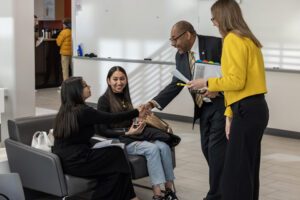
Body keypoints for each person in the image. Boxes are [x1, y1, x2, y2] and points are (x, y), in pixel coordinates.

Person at [187, 1, 269, 200]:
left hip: (246, 110)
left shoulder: (232, 39)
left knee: (234, 174)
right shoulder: (249, 39)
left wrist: (206, 81)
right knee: (246, 170)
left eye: (214, 18)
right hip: (254, 108)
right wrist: (229, 114)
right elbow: (245, 84)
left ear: (222, 17)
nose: (213, 23)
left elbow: (236, 81)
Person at [145, 21, 227, 200]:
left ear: (188, 35)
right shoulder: (180, 56)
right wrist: (152, 103)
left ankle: (215, 195)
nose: (173, 44)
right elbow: (176, 84)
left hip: (221, 106)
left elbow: (233, 73)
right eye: (171, 40)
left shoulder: (215, 44)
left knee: (216, 151)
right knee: (208, 150)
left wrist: (218, 89)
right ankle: (224, 189)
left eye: (175, 39)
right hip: (203, 108)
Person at [52, 76, 147, 200]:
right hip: (78, 160)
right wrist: (136, 112)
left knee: (115, 171)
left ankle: (130, 197)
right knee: (117, 154)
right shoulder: (83, 111)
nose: (89, 87)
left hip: (67, 160)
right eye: (85, 85)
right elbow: (111, 118)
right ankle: (131, 197)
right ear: (76, 91)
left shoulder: (65, 111)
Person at [97, 66, 179, 200]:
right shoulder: (104, 101)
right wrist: (127, 133)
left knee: (164, 146)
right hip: (120, 140)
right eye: (115, 79)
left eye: (122, 79)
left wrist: (140, 120)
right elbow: (103, 131)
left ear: (126, 80)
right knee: (152, 149)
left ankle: (169, 191)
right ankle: (157, 195)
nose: (119, 82)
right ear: (108, 81)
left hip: (133, 136)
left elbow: (128, 122)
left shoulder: (125, 97)